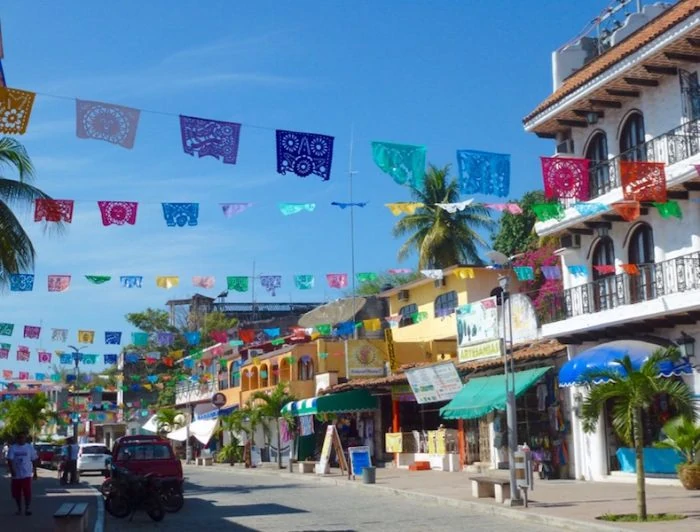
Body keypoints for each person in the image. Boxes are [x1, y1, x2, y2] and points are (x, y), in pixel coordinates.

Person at [6, 432, 38, 516]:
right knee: (17, 493)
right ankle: (19, 508)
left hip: (26, 474)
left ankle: (27, 508)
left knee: (27, 492)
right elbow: (10, 460)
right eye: (19, 437)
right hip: (16, 475)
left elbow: (34, 460)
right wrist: (12, 470)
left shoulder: (29, 448)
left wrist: (35, 472)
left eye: (23, 437)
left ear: (25, 438)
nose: (21, 439)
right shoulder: (13, 448)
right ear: (17, 439)